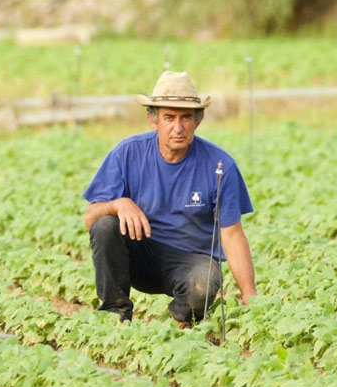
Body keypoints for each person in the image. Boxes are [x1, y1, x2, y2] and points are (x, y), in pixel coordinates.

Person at [83, 71, 257, 324]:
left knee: (204, 281)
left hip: (189, 260)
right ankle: (114, 315)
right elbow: (90, 219)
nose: (178, 128)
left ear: (198, 120)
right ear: (153, 120)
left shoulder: (220, 166)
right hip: (138, 256)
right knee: (105, 223)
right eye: (169, 117)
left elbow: (232, 234)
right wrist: (118, 204)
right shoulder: (127, 154)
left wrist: (249, 294)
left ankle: (177, 325)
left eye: (186, 117)